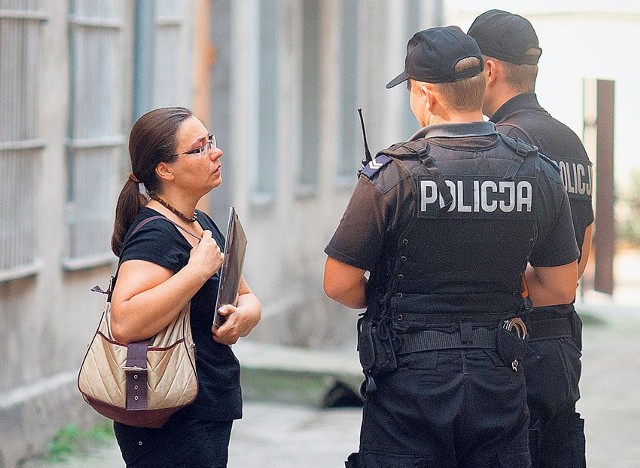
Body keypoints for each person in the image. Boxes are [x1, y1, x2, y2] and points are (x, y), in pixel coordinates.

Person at [323, 26, 580, 468]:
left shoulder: (392, 174)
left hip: (408, 382)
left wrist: (387, 296)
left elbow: (338, 282)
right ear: (482, 84)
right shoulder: (535, 170)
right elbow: (560, 288)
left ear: (427, 94)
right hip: (499, 375)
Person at [468, 10, 594, 467]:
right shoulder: (571, 142)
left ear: (490, 69)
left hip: (510, 344)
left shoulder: (503, 142)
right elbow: (587, 241)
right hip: (560, 342)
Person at [109, 107, 261, 467]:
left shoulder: (200, 223)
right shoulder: (155, 233)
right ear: (165, 169)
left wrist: (243, 317)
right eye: (199, 148)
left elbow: (247, 296)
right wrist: (195, 271)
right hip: (169, 415)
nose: (215, 152)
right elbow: (124, 321)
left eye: (211, 141)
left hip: (203, 406)